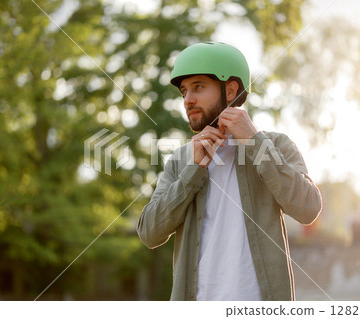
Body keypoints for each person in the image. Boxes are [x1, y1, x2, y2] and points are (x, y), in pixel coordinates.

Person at [136, 42, 322, 301]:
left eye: (198, 87)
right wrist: (194, 170)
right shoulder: (181, 159)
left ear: (231, 89)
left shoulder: (277, 145)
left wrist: (256, 144)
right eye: (184, 91)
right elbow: (149, 233)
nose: (188, 100)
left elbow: (308, 208)